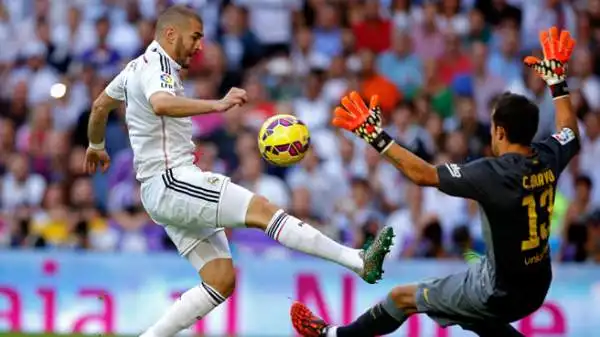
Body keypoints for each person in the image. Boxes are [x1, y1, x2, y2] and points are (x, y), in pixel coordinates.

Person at [83, 6, 394, 337]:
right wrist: (216, 105)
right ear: (171, 34)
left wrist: (96, 144)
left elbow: (101, 104)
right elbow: (160, 103)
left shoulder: (135, 67)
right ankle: (359, 261)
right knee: (263, 210)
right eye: (195, 37)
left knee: (220, 281)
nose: (199, 46)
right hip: (172, 180)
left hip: (160, 190)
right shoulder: (157, 66)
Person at [290, 26, 578, 337]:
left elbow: (422, 174)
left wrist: (375, 136)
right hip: (536, 283)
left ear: (500, 132)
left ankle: (333, 336)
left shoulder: (492, 174)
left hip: (495, 290)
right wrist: (557, 82)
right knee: (467, 313)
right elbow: (570, 133)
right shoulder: (548, 155)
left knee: (403, 297)